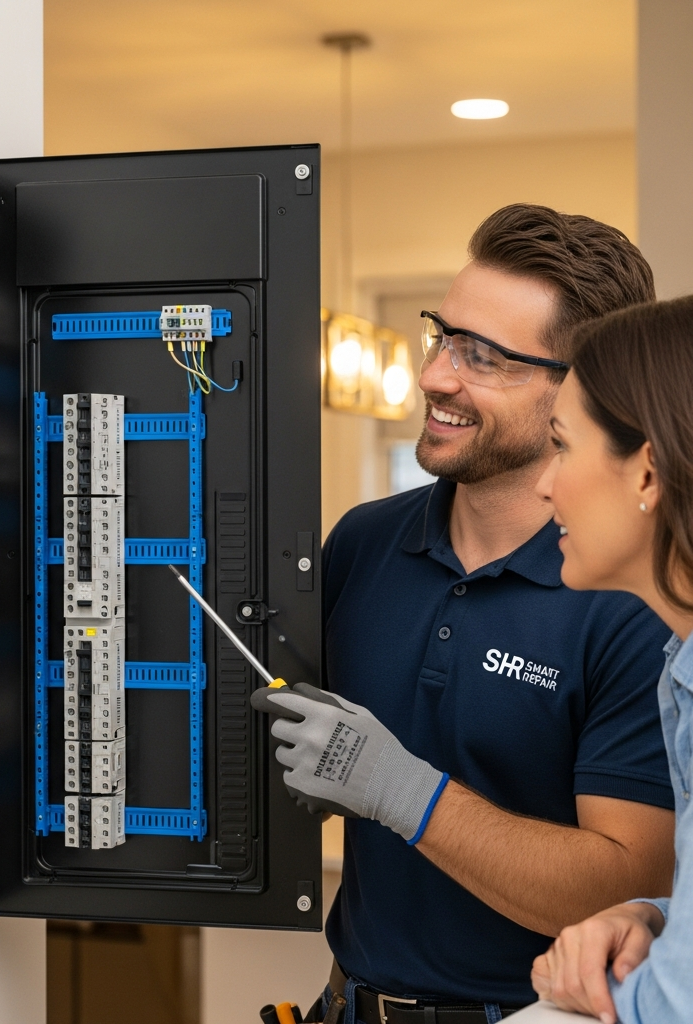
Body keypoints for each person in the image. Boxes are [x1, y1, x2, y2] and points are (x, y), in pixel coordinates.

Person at [253, 205, 676, 1022]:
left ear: (576, 385)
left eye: (483, 356)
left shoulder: (629, 594)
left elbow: (631, 882)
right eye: (442, 336)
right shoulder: (363, 542)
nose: (437, 376)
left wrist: (399, 788)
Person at [527, 296, 693, 1023]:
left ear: (648, 474)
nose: (545, 483)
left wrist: (579, 988)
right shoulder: (679, 667)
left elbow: (672, 1007)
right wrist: (653, 917)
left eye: (561, 444)